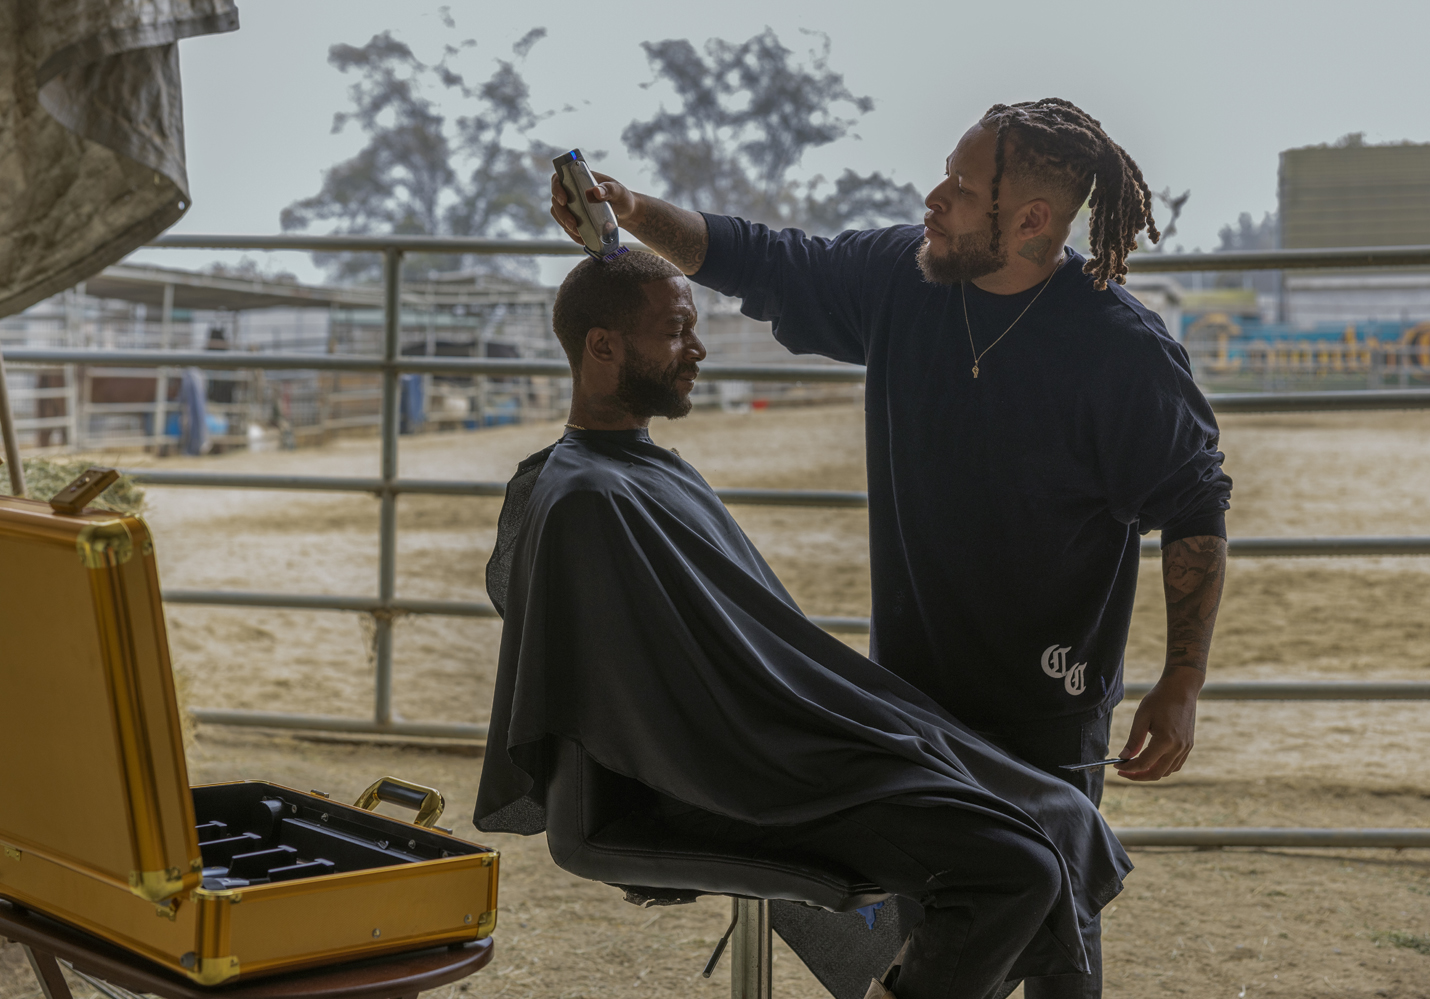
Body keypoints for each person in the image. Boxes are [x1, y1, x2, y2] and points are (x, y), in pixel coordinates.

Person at [549, 98, 1232, 998]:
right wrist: (633, 212)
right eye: (944, 171)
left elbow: (1195, 504)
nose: (934, 195)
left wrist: (1183, 679)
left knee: (1057, 907)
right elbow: (761, 256)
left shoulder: (1121, 352)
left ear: (1031, 220)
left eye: (962, 185)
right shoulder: (903, 280)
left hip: (1046, 697)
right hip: (909, 689)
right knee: (950, 902)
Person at [473, 251, 1132, 999]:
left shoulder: (652, 470)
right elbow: (656, 708)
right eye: (677, 331)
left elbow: (751, 645)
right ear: (602, 347)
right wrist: (820, 737)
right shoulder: (587, 499)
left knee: (1062, 812)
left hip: (773, 742)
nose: (698, 349)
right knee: (1015, 865)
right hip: (726, 770)